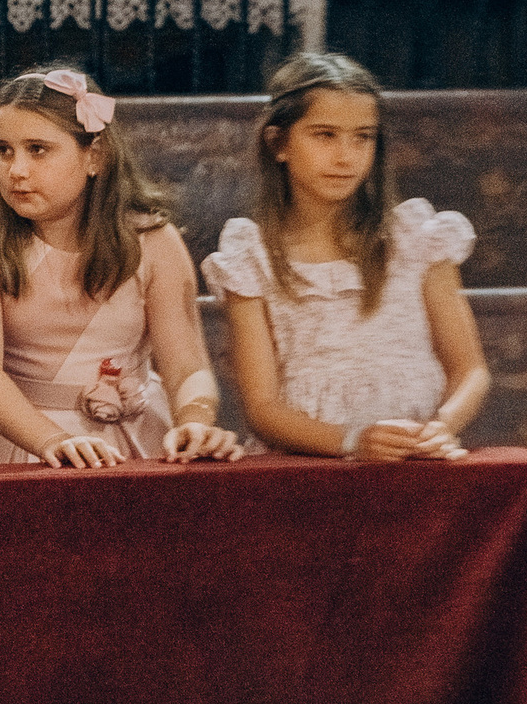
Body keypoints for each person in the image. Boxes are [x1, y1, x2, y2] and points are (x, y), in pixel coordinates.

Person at [0, 66, 241, 467]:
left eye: (38, 149)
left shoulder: (153, 240)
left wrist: (194, 419)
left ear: (94, 155)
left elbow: (186, 365)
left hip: (131, 438)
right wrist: (53, 439)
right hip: (19, 437)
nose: (17, 170)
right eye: (3, 149)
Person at [204, 52, 491, 460]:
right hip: (307, 468)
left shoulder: (416, 241)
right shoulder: (253, 259)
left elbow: (470, 369)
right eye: (325, 135)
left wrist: (440, 428)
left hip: (417, 463)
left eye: (363, 137)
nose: (346, 156)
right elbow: (262, 408)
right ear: (278, 143)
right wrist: (353, 440)